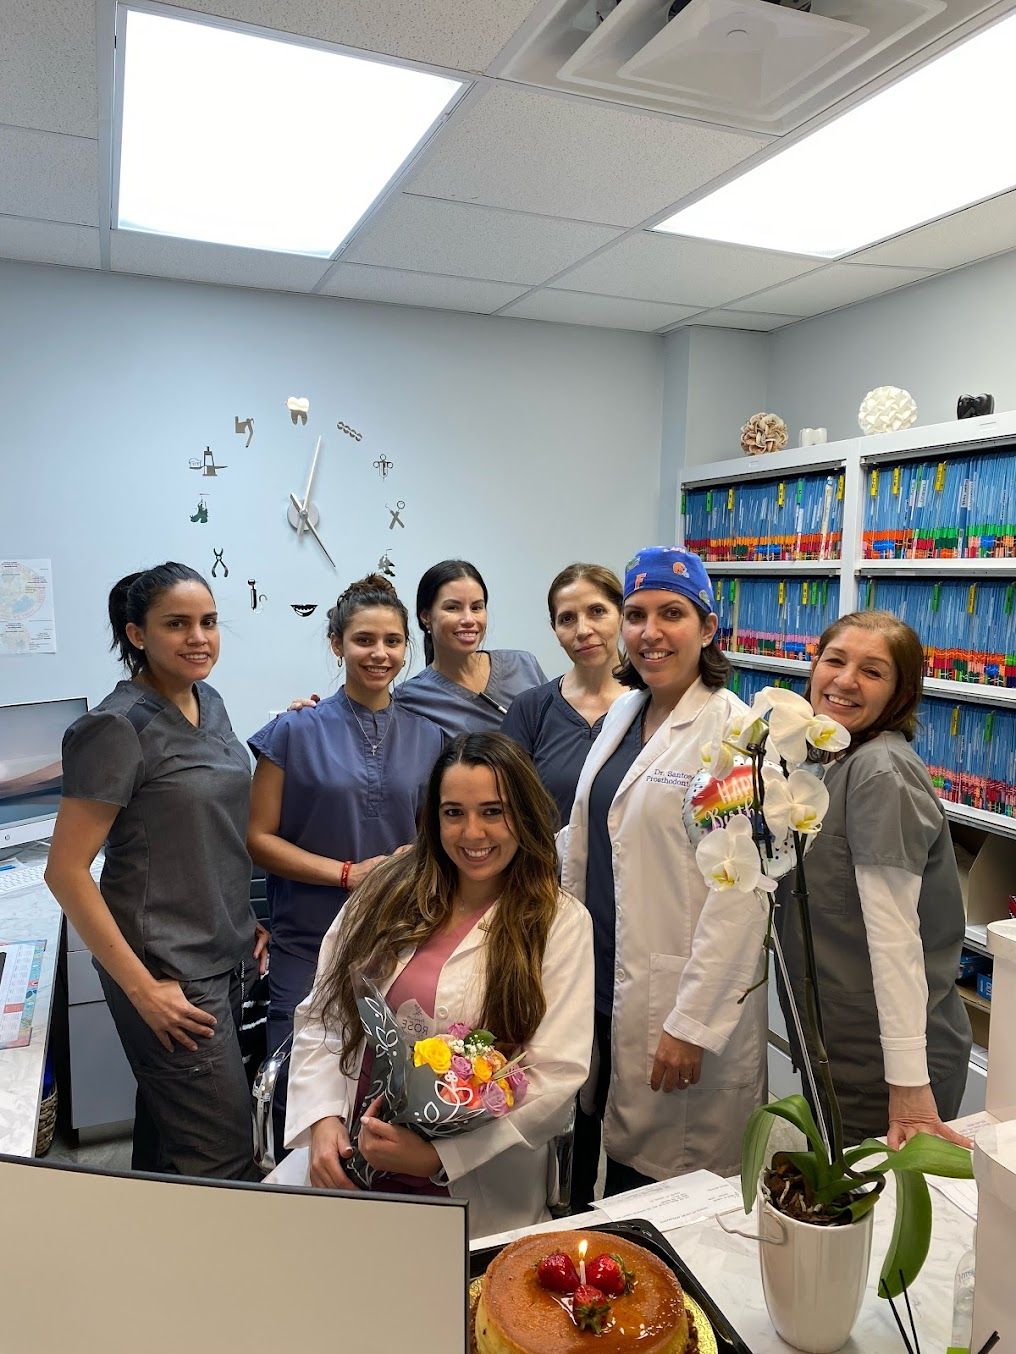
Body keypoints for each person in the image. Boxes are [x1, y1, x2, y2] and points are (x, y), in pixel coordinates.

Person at [284, 733, 594, 1238]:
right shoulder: (385, 894)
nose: (473, 833)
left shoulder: (559, 923)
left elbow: (554, 1077)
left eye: (493, 811)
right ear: (433, 818)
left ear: (526, 816)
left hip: (477, 1183)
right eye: (454, 813)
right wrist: (321, 1121)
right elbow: (325, 1014)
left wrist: (439, 1156)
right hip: (353, 1158)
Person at [560, 546, 769, 1205]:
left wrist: (693, 1023)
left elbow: (741, 897)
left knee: (659, 1194)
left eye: (671, 614)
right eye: (637, 614)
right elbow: (593, 837)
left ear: (708, 628)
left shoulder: (734, 737)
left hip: (674, 1004)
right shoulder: (626, 713)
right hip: (600, 983)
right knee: (591, 1160)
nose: (650, 632)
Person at [45, 563, 262, 1180]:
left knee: (172, 1133)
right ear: (137, 635)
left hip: (222, 953)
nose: (199, 638)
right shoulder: (117, 728)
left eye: (209, 622)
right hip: (167, 971)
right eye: (177, 625)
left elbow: (208, 828)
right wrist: (143, 990)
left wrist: (242, 921)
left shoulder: (208, 702)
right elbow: (65, 871)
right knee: (223, 1156)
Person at [246, 574, 444, 1152]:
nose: (379, 654)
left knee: (392, 1091)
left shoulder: (430, 739)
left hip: (400, 941)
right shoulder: (290, 732)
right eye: (363, 640)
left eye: (392, 641)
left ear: (408, 646)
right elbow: (256, 839)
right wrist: (346, 874)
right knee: (301, 1092)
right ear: (337, 644)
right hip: (307, 942)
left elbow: (436, 835)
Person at [776, 610, 973, 1151]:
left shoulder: (880, 773)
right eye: (834, 660)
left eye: (872, 671)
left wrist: (907, 1089)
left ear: (900, 694)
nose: (843, 680)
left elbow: (894, 939)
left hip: (886, 1068)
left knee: (876, 1225)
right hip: (841, 1047)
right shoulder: (830, 759)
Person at [502, 563, 626, 825]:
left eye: (597, 612)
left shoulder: (654, 705)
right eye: (567, 618)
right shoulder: (531, 710)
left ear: (622, 614)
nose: (582, 630)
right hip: (548, 865)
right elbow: (508, 810)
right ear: (554, 629)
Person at [394, 560, 546, 737]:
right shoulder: (410, 698)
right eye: (452, 607)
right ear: (426, 616)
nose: (468, 619)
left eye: (476, 607)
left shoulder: (523, 665)